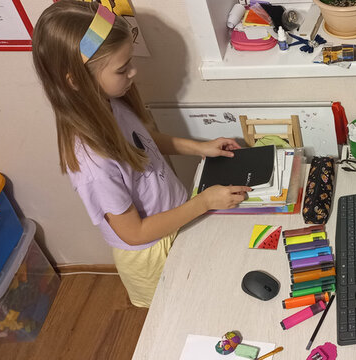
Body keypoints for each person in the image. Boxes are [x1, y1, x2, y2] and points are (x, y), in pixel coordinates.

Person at [32, 0, 250, 307]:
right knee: (180, 308)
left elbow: (144, 141)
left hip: (177, 218)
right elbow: (134, 233)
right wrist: (204, 202)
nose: (133, 72)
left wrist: (199, 147)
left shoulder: (110, 103)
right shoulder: (92, 165)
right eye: (122, 68)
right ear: (75, 81)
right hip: (151, 253)